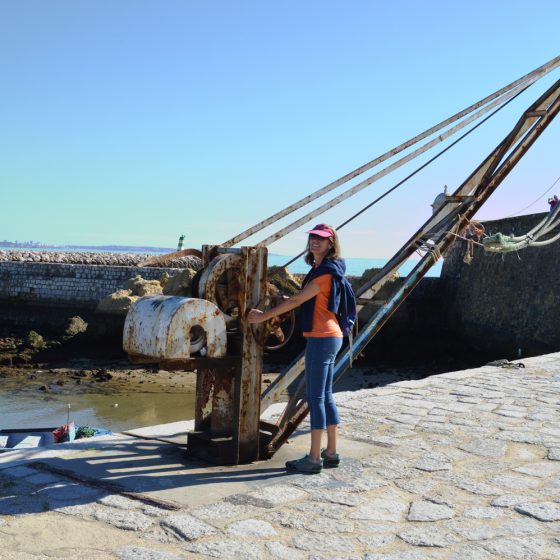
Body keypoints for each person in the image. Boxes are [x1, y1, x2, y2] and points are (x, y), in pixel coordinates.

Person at [248, 223, 355, 474]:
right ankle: (331, 453)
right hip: (331, 335)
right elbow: (305, 298)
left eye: (321, 239)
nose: (315, 241)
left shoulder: (325, 271)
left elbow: (298, 300)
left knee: (315, 397)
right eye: (313, 237)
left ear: (331, 243)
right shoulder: (325, 268)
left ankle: (314, 458)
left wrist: (263, 317)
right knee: (326, 396)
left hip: (321, 337)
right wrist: (278, 303)